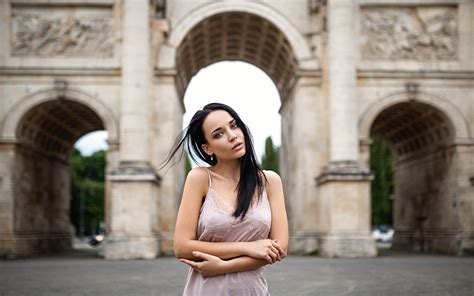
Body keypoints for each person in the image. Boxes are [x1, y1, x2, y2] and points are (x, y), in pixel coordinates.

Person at [161, 102, 288, 295]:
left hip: (251, 290)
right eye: (218, 134)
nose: (232, 135)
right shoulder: (200, 178)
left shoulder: (270, 181)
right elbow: (182, 246)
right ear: (207, 148)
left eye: (234, 125)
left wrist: (222, 267)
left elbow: (279, 249)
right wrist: (249, 247)